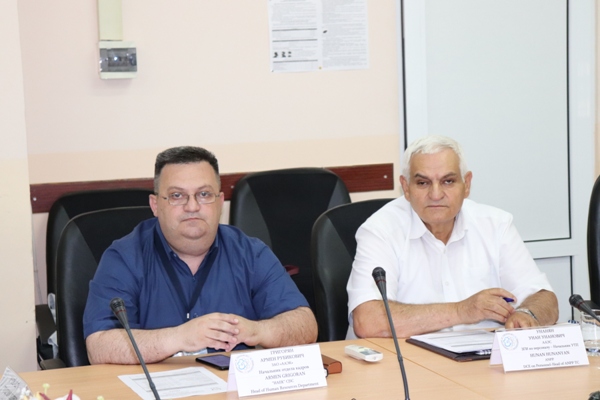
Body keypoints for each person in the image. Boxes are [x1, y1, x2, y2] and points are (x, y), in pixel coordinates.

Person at [84, 146, 317, 364]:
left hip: (232, 385)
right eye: (177, 196)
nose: (192, 206)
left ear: (220, 202)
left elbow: (305, 325)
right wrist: (179, 337)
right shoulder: (124, 258)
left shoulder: (250, 253)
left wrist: (258, 331)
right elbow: (99, 346)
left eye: (204, 194)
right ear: (155, 205)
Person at [346, 135, 558, 339]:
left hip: (480, 357)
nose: (436, 194)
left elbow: (545, 298)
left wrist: (528, 314)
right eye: (423, 183)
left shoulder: (496, 224)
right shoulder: (380, 230)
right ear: (406, 188)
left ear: (467, 184)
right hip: (404, 359)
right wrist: (462, 311)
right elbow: (368, 321)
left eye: (448, 181)